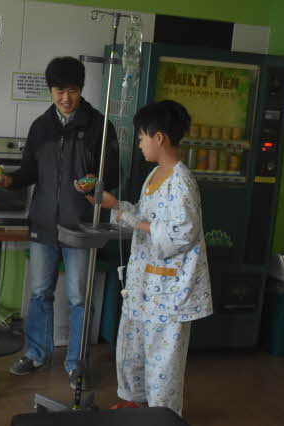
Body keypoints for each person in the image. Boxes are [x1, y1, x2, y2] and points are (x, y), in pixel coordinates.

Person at [0, 56, 119, 384]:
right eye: (59, 91)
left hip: (81, 226)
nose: (65, 98)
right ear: (50, 90)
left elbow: (113, 176)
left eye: (72, 90)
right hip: (44, 224)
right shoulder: (41, 127)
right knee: (39, 292)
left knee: (79, 296)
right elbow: (28, 172)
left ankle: (77, 362)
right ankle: (36, 353)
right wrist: (9, 180)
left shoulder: (99, 126)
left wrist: (93, 182)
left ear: (81, 89)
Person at [95, 100, 213, 415]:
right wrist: (116, 206)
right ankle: (136, 402)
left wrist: (134, 221)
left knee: (163, 362)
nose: (139, 144)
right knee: (133, 348)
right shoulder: (154, 176)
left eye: (141, 137)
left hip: (169, 292)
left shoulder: (181, 181)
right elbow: (145, 217)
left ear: (159, 137)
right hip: (144, 284)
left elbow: (183, 233)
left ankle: (162, 417)